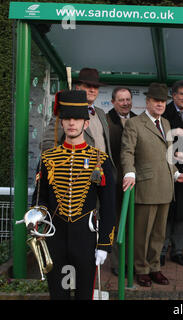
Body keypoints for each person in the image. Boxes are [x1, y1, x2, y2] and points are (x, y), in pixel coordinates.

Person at [31, 90, 116, 300]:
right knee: (58, 295)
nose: (71, 123)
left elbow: (108, 205)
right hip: (54, 236)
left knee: (84, 295)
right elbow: (39, 198)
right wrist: (37, 222)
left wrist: (104, 243)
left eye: (77, 119)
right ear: (61, 123)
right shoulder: (48, 158)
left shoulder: (100, 160)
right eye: (67, 118)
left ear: (85, 124)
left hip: (85, 237)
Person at [121, 82, 183, 287]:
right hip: (145, 187)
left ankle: (154, 267)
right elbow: (127, 152)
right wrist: (129, 173)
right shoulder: (134, 124)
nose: (160, 104)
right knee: (142, 234)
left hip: (165, 188)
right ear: (148, 101)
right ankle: (141, 268)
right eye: (156, 100)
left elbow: (168, 155)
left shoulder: (167, 124)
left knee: (159, 234)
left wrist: (177, 174)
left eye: (163, 101)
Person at [42, 68, 114, 171]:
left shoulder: (101, 113)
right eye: (88, 86)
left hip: (102, 172)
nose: (92, 90)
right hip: (77, 174)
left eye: (96, 87)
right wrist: (60, 167)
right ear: (78, 87)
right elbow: (48, 142)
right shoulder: (65, 111)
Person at [160, 80, 183, 267]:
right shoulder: (163, 114)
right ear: (173, 95)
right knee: (165, 214)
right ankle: (160, 251)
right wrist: (172, 154)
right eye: (182, 94)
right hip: (166, 172)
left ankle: (177, 251)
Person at [106, 87, 137, 276]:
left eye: (128, 99)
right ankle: (117, 264)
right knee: (116, 222)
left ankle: (131, 261)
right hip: (113, 181)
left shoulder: (138, 120)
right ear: (112, 102)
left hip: (133, 181)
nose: (125, 103)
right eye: (121, 100)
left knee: (132, 223)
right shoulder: (106, 121)